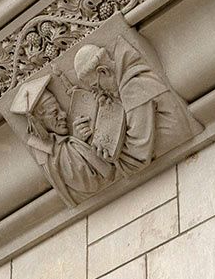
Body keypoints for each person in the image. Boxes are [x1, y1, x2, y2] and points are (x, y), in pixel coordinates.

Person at [73, 36, 202, 176]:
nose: (101, 92)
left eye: (96, 86)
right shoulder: (130, 79)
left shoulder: (133, 87)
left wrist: (99, 148)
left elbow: (137, 157)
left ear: (104, 71)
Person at [10, 75, 115, 206]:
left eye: (60, 109)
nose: (63, 114)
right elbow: (93, 183)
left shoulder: (58, 144)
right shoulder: (48, 153)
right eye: (54, 112)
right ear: (38, 121)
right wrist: (78, 141)